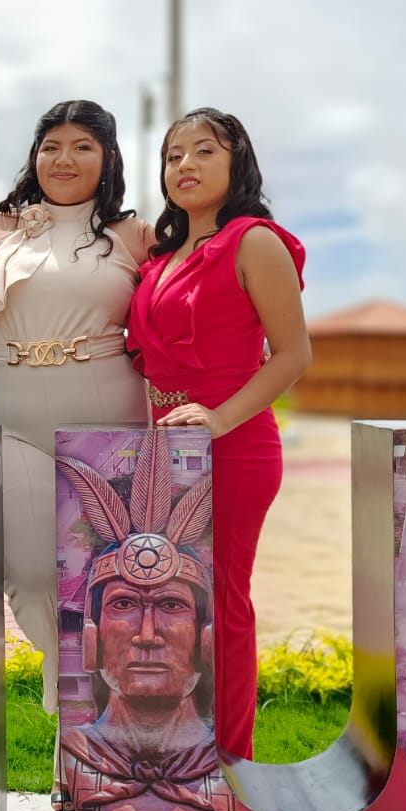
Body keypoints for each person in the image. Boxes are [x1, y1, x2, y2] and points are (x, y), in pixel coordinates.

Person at [55, 430, 337, 811]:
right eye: (124, 605)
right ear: (92, 638)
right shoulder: (80, 756)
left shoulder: (261, 802)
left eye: (170, 605)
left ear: (205, 641)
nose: (147, 635)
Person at [0, 100, 153, 811]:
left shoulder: (135, 235)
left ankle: (74, 750)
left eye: (83, 145)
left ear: (107, 158)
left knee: (99, 590)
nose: (65, 158)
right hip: (17, 417)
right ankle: (76, 705)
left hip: (108, 423)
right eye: (52, 145)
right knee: (26, 579)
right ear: (35, 155)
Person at [125, 108, 311, 763]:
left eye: (204, 151)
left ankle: (231, 762)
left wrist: (221, 418)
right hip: (165, 452)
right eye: (173, 155)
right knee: (171, 605)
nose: (186, 165)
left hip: (234, 447)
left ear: (237, 163)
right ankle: (179, 756)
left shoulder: (253, 242)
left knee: (221, 606)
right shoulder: (161, 256)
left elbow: (294, 354)